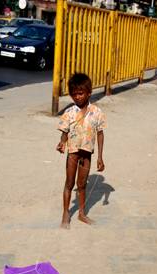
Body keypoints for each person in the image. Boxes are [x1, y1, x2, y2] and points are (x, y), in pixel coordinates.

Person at [56, 73, 106, 229]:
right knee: (69, 183)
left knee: (82, 184)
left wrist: (100, 157)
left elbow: (100, 133)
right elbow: (64, 131)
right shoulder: (69, 113)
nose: (77, 97)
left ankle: (82, 213)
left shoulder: (97, 112)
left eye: (81, 93)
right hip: (73, 153)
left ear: (89, 92)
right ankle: (66, 213)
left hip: (87, 155)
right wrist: (62, 143)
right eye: (74, 94)